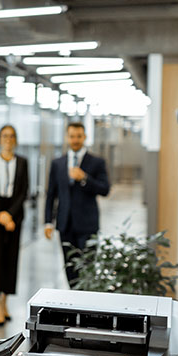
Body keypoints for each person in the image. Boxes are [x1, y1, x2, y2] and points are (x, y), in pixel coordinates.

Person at [44, 122, 111, 286]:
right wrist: (48, 222)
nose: (75, 140)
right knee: (70, 269)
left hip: (87, 225)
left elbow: (105, 189)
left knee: (87, 269)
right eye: (72, 136)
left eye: (79, 136)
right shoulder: (57, 163)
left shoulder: (97, 162)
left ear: (85, 137)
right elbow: (51, 194)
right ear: (67, 138)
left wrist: (85, 179)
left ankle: (85, 306)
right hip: (65, 225)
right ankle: (73, 305)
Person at [0, 125, 29, 325]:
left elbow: (23, 192)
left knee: (11, 259)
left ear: (16, 140)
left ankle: (5, 301)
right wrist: (1, 214)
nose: (8, 139)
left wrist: (10, 215)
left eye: (12, 136)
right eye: (4, 136)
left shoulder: (23, 162)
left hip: (15, 213)